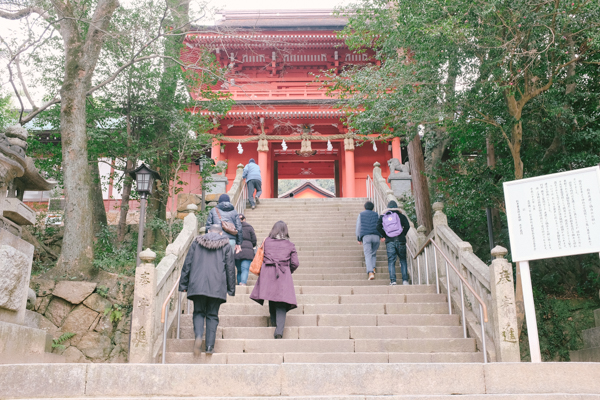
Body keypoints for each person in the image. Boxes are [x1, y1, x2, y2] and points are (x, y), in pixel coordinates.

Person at [179, 224, 236, 356]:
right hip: (217, 286)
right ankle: (209, 346)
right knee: (212, 315)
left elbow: (187, 263)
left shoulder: (197, 243)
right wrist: (231, 289)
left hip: (197, 284)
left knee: (198, 312)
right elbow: (230, 268)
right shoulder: (226, 246)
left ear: (208, 231)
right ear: (221, 233)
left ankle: (199, 336)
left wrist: (183, 284)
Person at [250, 221, 299, 339]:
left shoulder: (266, 242)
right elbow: (295, 263)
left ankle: (273, 322)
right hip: (282, 273)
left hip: (267, 273)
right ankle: (279, 331)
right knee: (281, 302)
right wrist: (288, 270)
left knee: (271, 296)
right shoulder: (290, 245)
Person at [377, 200, 411, 286]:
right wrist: (402, 234)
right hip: (400, 240)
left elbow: (377, 227)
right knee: (403, 260)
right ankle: (405, 281)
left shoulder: (383, 217)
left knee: (391, 261)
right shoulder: (401, 216)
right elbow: (407, 226)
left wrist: (385, 235)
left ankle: (393, 281)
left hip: (390, 241)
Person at [356, 201, 381, 281]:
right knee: (373, 253)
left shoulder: (361, 214)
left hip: (366, 236)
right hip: (376, 236)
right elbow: (380, 225)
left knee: (368, 254)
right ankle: (373, 268)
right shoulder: (376, 214)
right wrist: (381, 236)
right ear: (373, 208)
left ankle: (370, 272)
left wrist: (358, 238)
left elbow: (358, 227)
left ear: (364, 207)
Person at [234, 213, 257, 286]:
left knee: (239, 270)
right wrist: (251, 245)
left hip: (236, 250)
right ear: (244, 219)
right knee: (245, 269)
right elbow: (254, 240)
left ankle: (239, 284)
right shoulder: (249, 227)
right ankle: (243, 283)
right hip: (247, 251)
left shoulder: (234, 227)